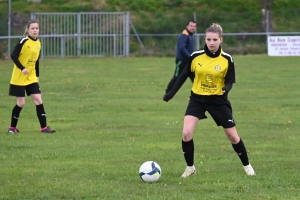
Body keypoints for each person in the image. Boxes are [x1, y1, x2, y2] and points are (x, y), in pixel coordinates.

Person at [163, 23, 255, 177]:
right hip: (197, 99)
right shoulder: (195, 57)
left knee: (232, 136)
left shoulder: (227, 59)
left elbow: (230, 81)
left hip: (218, 101)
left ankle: (247, 166)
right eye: (208, 39)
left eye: (214, 40)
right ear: (204, 40)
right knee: (186, 133)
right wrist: (171, 93)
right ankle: (190, 167)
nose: (211, 43)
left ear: (221, 40)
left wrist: (226, 88)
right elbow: (184, 75)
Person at [7, 20, 56, 134]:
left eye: (36, 28)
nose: (35, 30)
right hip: (19, 77)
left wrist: (37, 75)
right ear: (28, 30)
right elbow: (13, 55)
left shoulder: (38, 43)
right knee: (21, 103)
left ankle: (44, 128)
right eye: (32, 28)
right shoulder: (24, 41)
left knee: (38, 99)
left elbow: (36, 61)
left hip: (31, 77)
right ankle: (12, 128)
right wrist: (22, 68)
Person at [165, 19, 197, 94]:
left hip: (189, 61)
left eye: (194, 26)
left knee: (195, 77)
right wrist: (190, 57)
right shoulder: (184, 34)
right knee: (177, 77)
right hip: (182, 61)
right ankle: (168, 92)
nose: (192, 27)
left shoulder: (191, 35)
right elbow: (182, 48)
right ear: (187, 26)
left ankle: (200, 93)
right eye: (191, 26)